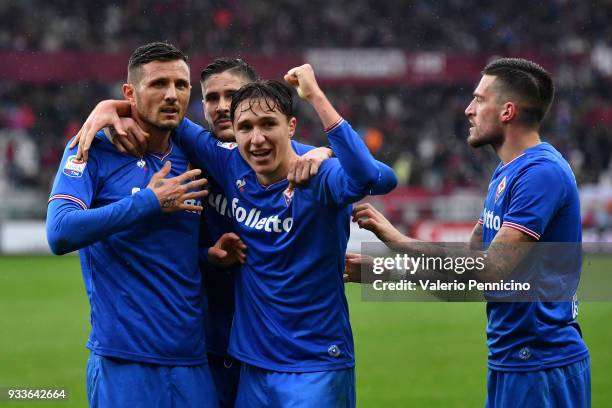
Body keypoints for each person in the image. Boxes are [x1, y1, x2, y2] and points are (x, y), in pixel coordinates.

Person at [75, 64, 398, 406]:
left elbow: (378, 178)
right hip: (213, 351)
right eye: (212, 98)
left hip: (305, 357)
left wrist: (322, 145)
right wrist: (111, 106)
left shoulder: (309, 167)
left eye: (231, 95)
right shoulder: (206, 154)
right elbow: (156, 110)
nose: (222, 106)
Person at [349, 58, 590, 407]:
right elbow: (464, 278)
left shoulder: (541, 174)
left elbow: (492, 268)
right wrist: (380, 270)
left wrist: (398, 241)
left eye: (478, 99)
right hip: (513, 363)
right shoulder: (506, 173)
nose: (468, 109)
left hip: (542, 365)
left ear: (507, 111)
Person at [46, 42, 219, 407]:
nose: (172, 94)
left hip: (192, 360)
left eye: (181, 85)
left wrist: (210, 256)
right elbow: (60, 232)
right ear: (130, 92)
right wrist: (149, 202)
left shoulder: (198, 155)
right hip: (123, 361)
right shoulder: (91, 149)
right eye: (158, 84)